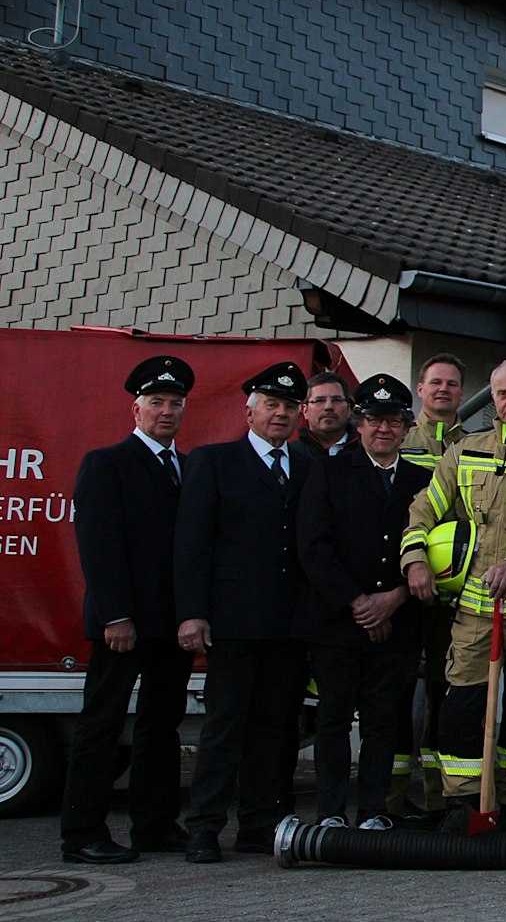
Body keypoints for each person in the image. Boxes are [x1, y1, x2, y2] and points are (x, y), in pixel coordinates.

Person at [401, 359, 506, 833]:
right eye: (501, 394)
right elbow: (423, 510)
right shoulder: (465, 451)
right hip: (473, 611)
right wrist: (414, 559)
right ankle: (462, 804)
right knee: (462, 707)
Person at [175, 361, 317, 862]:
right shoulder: (213, 463)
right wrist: (192, 613)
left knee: (273, 728)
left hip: (287, 624)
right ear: (249, 410)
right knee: (223, 728)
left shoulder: (307, 465)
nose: (280, 414)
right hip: (232, 622)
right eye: (271, 405)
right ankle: (205, 827)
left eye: (288, 407)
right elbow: (192, 544)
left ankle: (258, 825)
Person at [60, 356, 198, 864]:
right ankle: (82, 833)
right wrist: (116, 615)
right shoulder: (107, 463)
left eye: (175, 403)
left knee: (161, 728)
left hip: (170, 625)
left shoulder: (188, 467)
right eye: (156, 402)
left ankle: (156, 825)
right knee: (101, 726)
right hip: (125, 624)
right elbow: (99, 546)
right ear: (135, 408)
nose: (166, 412)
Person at [294, 374, 431, 829]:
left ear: (407, 427)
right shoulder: (329, 472)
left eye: (393, 421)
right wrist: (357, 602)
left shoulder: (423, 481)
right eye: (373, 420)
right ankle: (331, 813)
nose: (382, 429)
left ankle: (374, 811)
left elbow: (428, 548)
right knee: (332, 720)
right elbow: (313, 546)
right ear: (359, 424)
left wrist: (392, 599)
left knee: (382, 722)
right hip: (337, 623)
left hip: (397, 621)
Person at [393, 351, 468, 824]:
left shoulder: (478, 444)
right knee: (398, 693)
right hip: (407, 587)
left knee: (447, 693)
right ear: (420, 389)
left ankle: (441, 800)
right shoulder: (398, 440)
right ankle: (393, 801)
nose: (442, 390)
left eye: (452, 384)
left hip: (456, 594)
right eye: (434, 383)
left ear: (462, 393)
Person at [296, 372, 358, 457]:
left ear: (348, 409)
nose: (328, 407)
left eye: (336, 400)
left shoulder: (368, 453)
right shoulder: (291, 456)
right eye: (319, 401)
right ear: (305, 411)